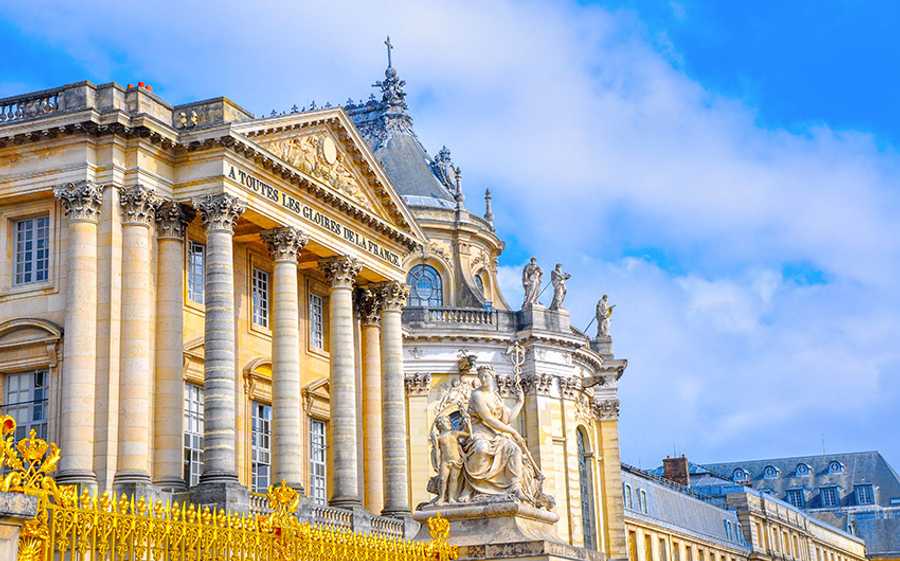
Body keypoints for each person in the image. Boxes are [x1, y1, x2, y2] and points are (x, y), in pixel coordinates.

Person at [459, 366, 550, 507]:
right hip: (478, 430)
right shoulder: (477, 395)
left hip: (494, 433)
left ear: (492, 376)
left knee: (514, 449)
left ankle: (515, 487)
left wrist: (520, 403)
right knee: (482, 448)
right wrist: (513, 432)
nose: (483, 379)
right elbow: (488, 419)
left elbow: (507, 419)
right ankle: (471, 485)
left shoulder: (495, 396)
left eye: (486, 376)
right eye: (481, 377)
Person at [429, 414, 469, 504]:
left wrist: (467, 423)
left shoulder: (454, 433)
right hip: (445, 461)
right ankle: (442, 497)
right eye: (446, 422)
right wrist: (435, 464)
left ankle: (451, 497)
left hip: (456, 460)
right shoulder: (439, 438)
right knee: (442, 479)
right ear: (440, 425)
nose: (449, 423)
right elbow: (435, 451)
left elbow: (467, 433)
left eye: (449, 422)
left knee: (454, 479)